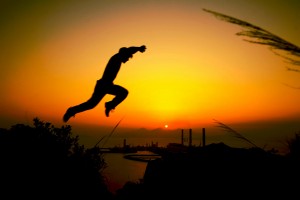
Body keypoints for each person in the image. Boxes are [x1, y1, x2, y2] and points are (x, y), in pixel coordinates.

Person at [63, 45, 147, 122]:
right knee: (122, 93)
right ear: (124, 54)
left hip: (107, 85)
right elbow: (129, 50)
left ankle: (72, 110)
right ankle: (109, 105)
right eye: (128, 57)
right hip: (104, 85)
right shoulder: (116, 58)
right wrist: (139, 48)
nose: (128, 59)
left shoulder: (117, 59)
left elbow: (128, 51)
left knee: (91, 104)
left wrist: (138, 49)